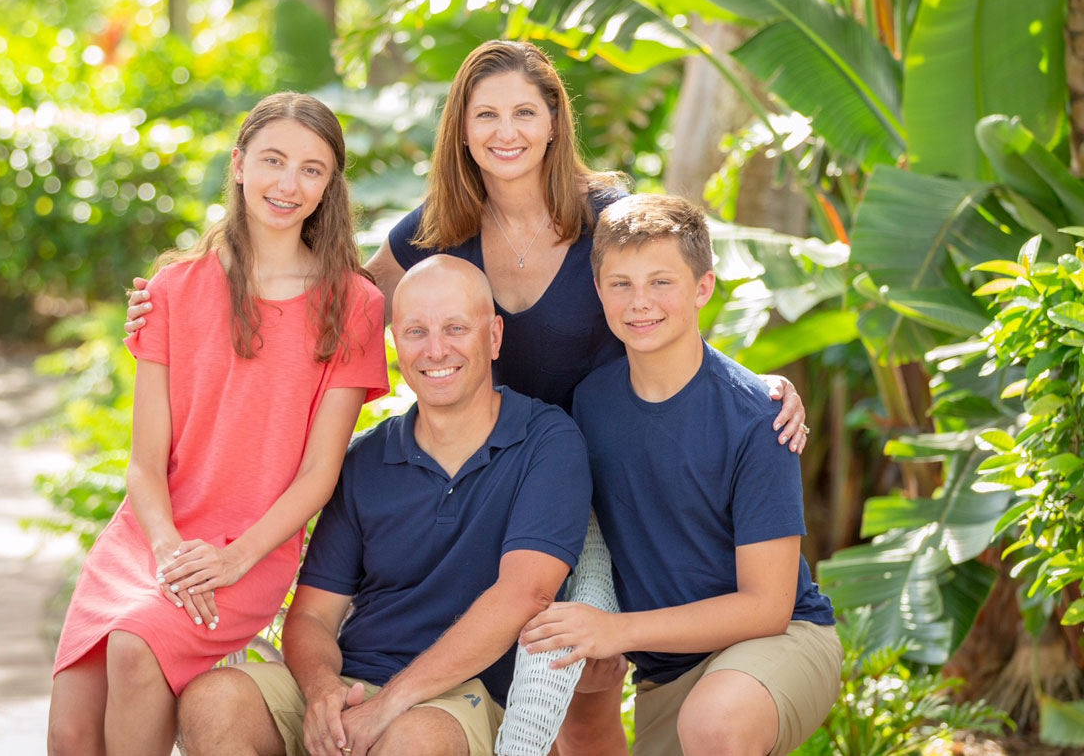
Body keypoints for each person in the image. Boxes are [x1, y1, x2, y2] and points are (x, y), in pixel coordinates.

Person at [123, 40, 811, 751]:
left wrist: (753, 385)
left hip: (592, 467)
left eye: (523, 112)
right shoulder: (437, 227)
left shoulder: (606, 218)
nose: (505, 131)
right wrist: (181, 307)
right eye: (485, 114)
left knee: (591, 688)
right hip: (488, 461)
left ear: (554, 122)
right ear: (462, 127)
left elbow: (662, 295)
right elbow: (327, 305)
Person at [46, 93, 390, 756]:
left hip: (248, 551)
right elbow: (144, 465)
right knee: (70, 734)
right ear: (238, 165)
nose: (289, 184)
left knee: (134, 645)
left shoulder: (353, 305)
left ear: (330, 186)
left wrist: (229, 560)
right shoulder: (173, 290)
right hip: (152, 533)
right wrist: (171, 550)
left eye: (312, 169)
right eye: (273, 160)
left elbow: (319, 475)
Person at [176, 256, 593, 756]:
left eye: (455, 328)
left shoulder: (546, 441)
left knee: (410, 743)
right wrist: (322, 692)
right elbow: (312, 617)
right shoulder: (366, 458)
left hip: (460, 698)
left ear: (495, 336)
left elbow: (525, 594)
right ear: (395, 342)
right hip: (351, 683)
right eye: (415, 331)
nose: (435, 349)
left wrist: (390, 703)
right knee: (214, 699)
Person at [518, 194, 840, 756]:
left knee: (715, 725)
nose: (640, 303)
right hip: (668, 669)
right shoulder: (589, 404)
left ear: (703, 288)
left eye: (661, 282)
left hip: (778, 639)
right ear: (598, 292)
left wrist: (618, 631)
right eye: (620, 284)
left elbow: (767, 605)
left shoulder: (758, 417)